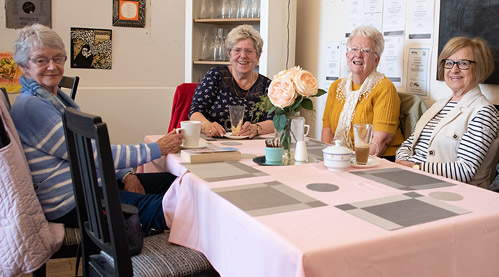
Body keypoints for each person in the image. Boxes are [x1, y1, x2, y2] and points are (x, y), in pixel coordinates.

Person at [9, 23, 183, 232]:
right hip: (74, 201)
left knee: (175, 182)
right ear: (23, 66)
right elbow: (90, 153)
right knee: (180, 206)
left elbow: (92, 149)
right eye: (41, 60)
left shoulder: (54, 99)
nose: (52, 66)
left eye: (58, 58)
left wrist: (126, 175)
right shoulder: (31, 106)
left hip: (93, 185)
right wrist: (157, 149)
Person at [396, 37, 499, 184]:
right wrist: (402, 162)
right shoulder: (439, 105)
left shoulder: (483, 112)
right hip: (411, 177)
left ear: (479, 67)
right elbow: (409, 144)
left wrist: (415, 167)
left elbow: (465, 170)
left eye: (463, 63)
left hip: (446, 189)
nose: (454, 69)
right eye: (449, 63)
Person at [321, 25, 404, 161]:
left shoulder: (384, 88)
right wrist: (328, 159)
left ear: (376, 60)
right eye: (354, 49)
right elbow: (327, 131)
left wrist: (357, 164)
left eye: (366, 51)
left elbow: (381, 141)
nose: (358, 54)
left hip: (377, 160)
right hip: (342, 159)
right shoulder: (336, 87)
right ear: (347, 55)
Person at [189, 24, 274, 138]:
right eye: (237, 50)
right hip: (214, 143)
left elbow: (275, 121)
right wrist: (207, 126)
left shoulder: (267, 85)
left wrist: (256, 128)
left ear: (258, 56)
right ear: (229, 54)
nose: (243, 56)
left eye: (249, 51)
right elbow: (195, 112)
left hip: (252, 144)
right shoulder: (215, 76)